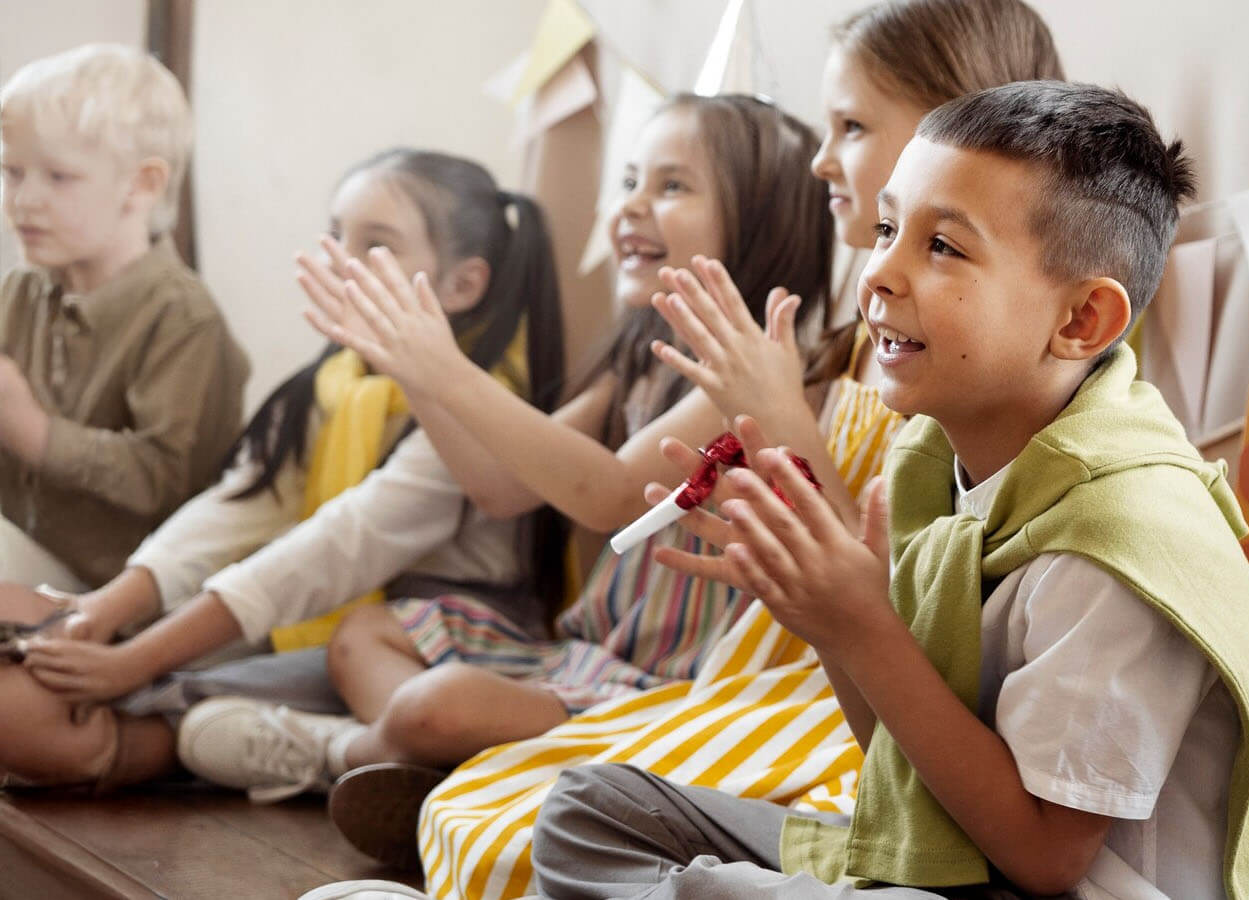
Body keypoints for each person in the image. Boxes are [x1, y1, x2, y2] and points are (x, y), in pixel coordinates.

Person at [531, 81, 1249, 900]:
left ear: (1082, 321)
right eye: (885, 229)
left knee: (711, 890)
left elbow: (1048, 858)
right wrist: (835, 626)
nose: (878, 272)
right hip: (965, 859)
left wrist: (865, 627)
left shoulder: (1121, 540)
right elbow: (907, 765)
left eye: (942, 247)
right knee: (591, 810)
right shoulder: (931, 464)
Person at [398, 1, 1069, 893]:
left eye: (853, 126)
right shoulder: (859, 339)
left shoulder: (970, 360)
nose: (822, 159)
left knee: (510, 825)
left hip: (851, 703)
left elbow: (904, 595)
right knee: (474, 808)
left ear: (961, 124)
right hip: (762, 674)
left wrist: (778, 419)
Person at [176, 94, 837, 806]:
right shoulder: (637, 361)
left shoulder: (754, 369)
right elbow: (502, 487)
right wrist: (412, 366)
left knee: (439, 707)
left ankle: (345, 754)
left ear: (763, 220)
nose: (632, 206)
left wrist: (446, 369)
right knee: (365, 634)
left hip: (671, 694)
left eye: (671, 186)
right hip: (590, 659)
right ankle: (431, 773)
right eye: (630, 182)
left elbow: (611, 494)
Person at [0, 148, 566, 792]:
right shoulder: (337, 380)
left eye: (374, 245)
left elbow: (334, 549)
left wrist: (136, 660)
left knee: (45, 711)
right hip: (315, 627)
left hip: (420, 643)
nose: (338, 261)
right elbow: (241, 504)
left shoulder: (481, 409)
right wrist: (110, 606)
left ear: (461, 286)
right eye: (334, 234)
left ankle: (315, 754)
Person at [0, 43, 247, 590]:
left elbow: (162, 478)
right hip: (25, 553)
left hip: (119, 592)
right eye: (12, 173)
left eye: (58, 177)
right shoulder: (21, 289)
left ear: (143, 185)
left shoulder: (182, 318)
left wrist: (34, 433)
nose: (23, 201)